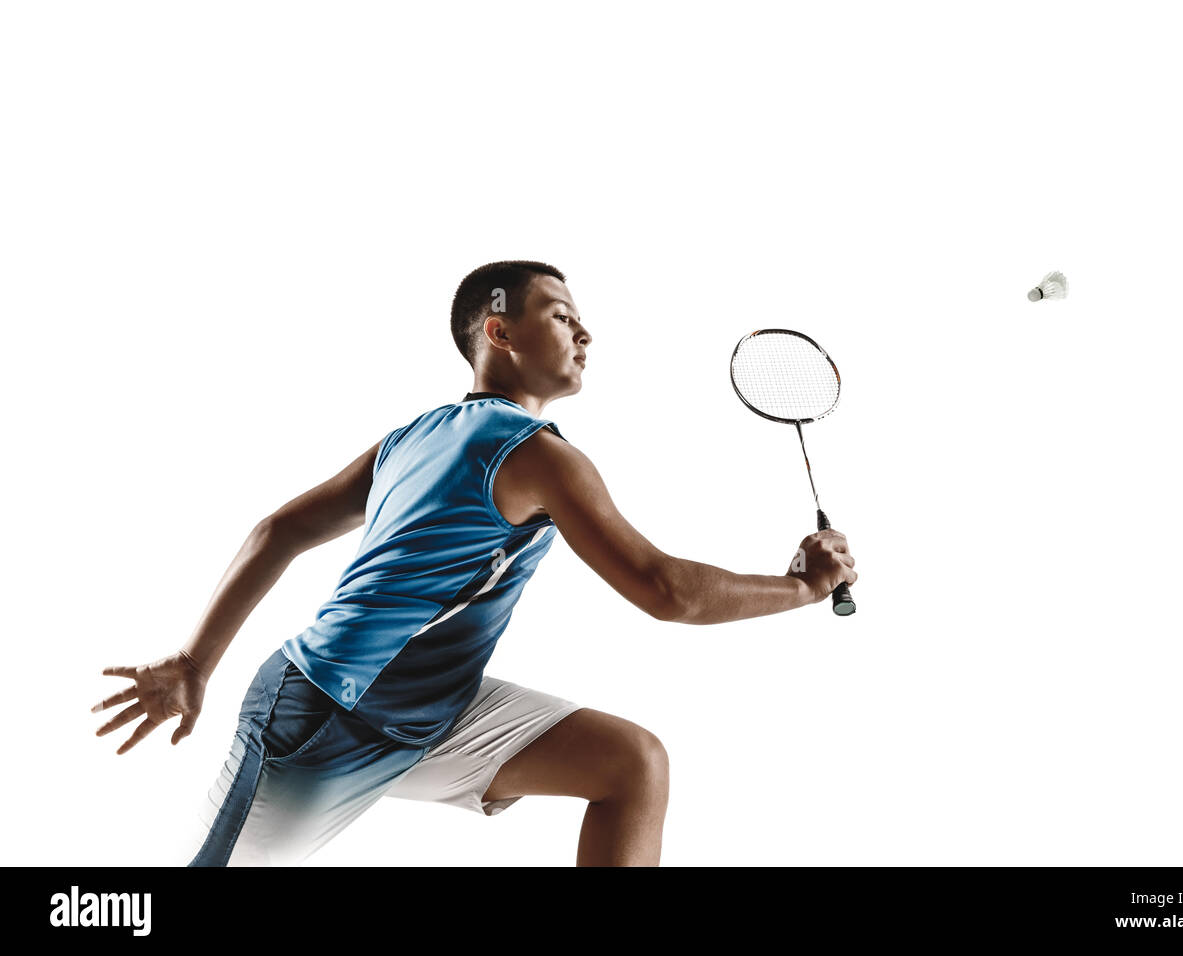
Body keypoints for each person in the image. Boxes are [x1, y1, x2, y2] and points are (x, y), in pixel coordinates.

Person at [90, 260, 857, 867]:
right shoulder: (536, 455)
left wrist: (198, 659)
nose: (585, 334)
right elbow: (663, 591)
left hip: (434, 706)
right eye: (562, 315)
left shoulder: (414, 434)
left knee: (631, 765)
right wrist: (801, 586)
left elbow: (276, 530)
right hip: (324, 716)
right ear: (501, 331)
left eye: (584, 321)